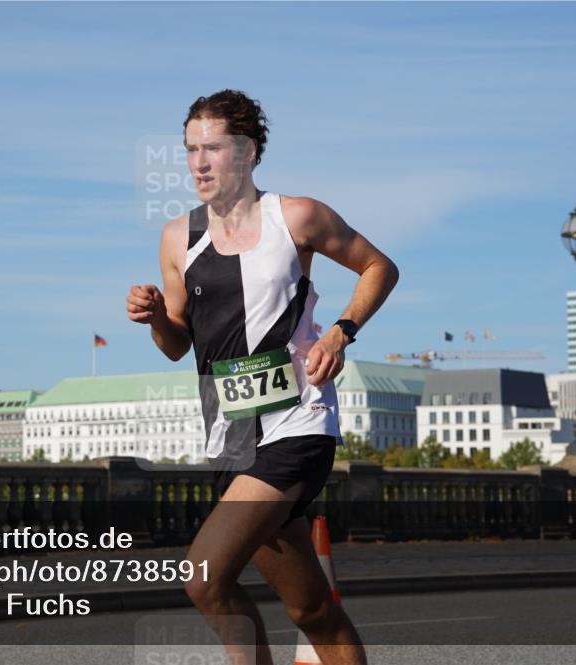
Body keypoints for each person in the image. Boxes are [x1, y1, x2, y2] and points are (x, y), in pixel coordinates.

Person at [127, 90, 398, 665]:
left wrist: (340, 332)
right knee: (311, 609)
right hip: (231, 436)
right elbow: (177, 345)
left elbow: (379, 266)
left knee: (204, 578)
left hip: (298, 423)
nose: (199, 163)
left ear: (248, 152)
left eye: (213, 148)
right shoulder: (178, 238)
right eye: (190, 149)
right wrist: (155, 319)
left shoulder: (297, 216)